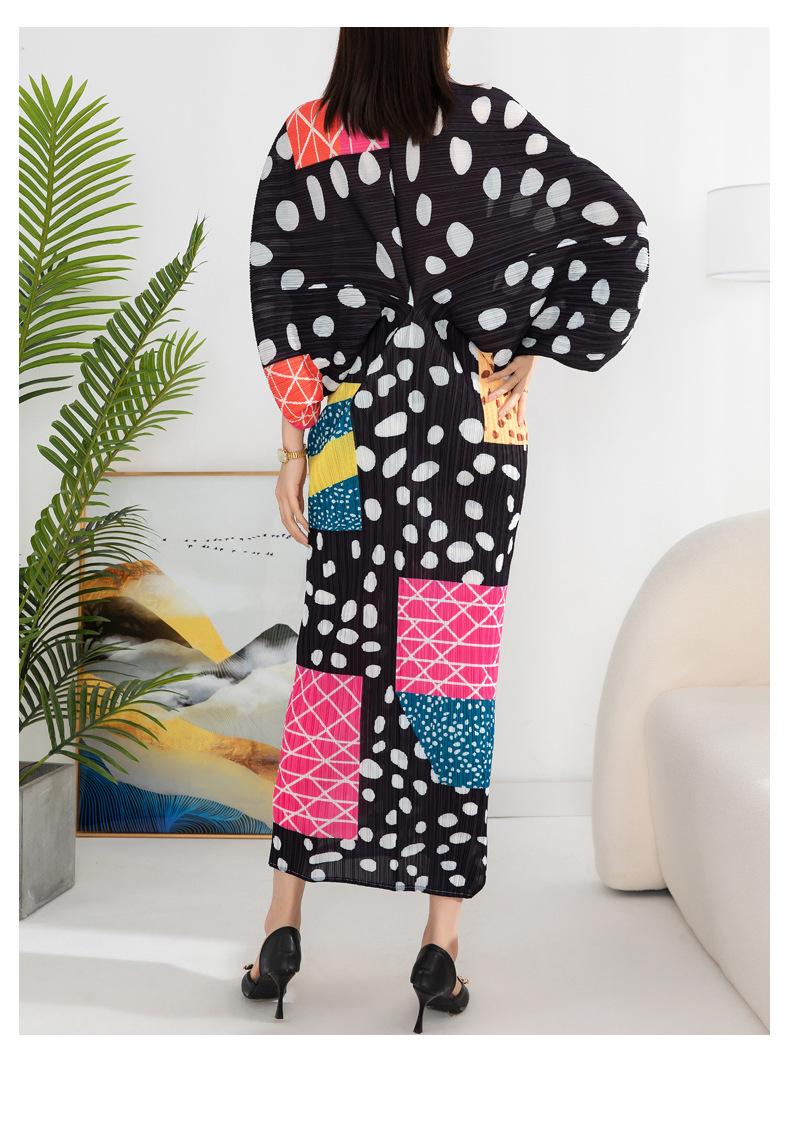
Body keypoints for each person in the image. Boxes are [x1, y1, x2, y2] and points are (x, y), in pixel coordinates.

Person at [246, 26, 648, 1032]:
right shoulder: (487, 123)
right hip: (474, 422)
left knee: (336, 660)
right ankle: (440, 940)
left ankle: (281, 924)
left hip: (349, 428)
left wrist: (295, 443)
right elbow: (614, 228)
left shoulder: (306, 135)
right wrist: (531, 343)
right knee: (448, 668)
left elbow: (285, 298)